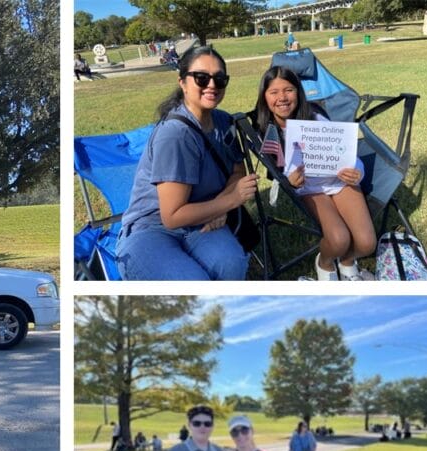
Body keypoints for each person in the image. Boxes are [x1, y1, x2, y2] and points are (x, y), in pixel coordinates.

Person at [115, 45, 258, 280]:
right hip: (151, 229)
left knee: (231, 264)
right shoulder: (176, 135)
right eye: (201, 78)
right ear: (182, 82)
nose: (212, 85)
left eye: (220, 79)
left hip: (201, 220)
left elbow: (237, 171)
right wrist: (231, 200)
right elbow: (172, 216)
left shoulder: (223, 121)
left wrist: (221, 205)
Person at [254, 66, 376, 281]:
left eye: (289, 90)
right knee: (338, 239)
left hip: (340, 181)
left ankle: (347, 264)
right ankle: (325, 263)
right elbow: (276, 175)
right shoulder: (267, 131)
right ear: (264, 97)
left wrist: (357, 172)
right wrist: (288, 182)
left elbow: (349, 154)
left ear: (298, 92)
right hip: (310, 188)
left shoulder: (316, 117)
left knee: (366, 243)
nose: (282, 97)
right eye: (274, 92)